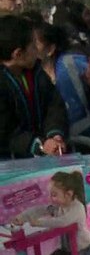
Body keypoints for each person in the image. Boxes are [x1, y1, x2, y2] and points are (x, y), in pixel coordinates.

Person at [0, 19, 67, 159]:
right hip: (10, 164)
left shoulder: (36, 73)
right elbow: (5, 130)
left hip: (43, 155)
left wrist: (55, 134)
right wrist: (36, 144)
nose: (37, 51)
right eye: (33, 47)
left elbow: (54, 105)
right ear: (18, 54)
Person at [34, 22, 90, 138]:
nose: (31, 48)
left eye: (35, 44)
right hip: (54, 139)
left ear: (50, 49)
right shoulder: (31, 76)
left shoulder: (71, 63)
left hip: (88, 134)